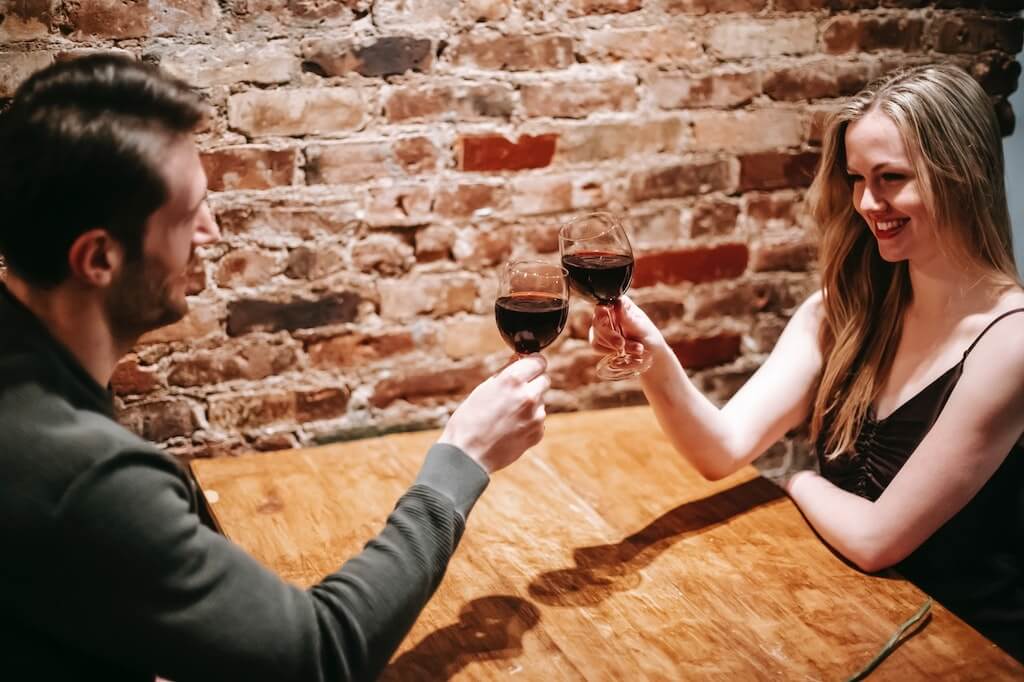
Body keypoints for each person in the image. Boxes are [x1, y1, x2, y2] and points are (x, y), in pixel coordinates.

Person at [0, 55, 551, 680]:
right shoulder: (85, 479)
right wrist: (463, 457)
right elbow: (318, 654)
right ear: (99, 259)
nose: (209, 232)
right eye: (188, 214)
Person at [591, 63, 1024, 661]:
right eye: (857, 179)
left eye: (891, 178)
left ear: (964, 174)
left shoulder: (1011, 342)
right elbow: (720, 450)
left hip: (968, 653)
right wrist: (653, 359)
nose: (867, 203)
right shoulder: (839, 312)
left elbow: (875, 539)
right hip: (854, 622)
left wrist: (797, 479)